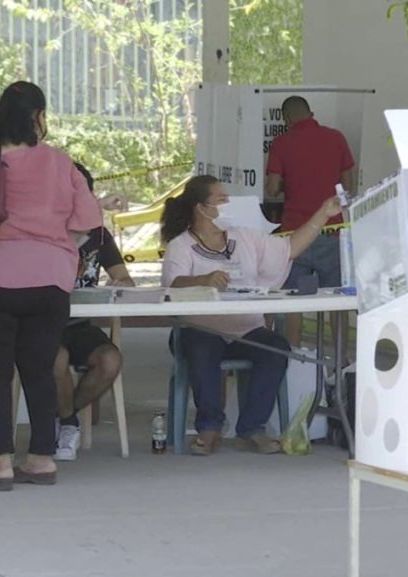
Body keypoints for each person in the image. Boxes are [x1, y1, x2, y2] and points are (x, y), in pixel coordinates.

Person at [0, 81, 102, 490]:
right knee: (39, 370)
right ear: (39, 116)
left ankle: (0, 464)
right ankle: (41, 459)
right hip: (49, 278)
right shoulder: (59, 162)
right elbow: (88, 219)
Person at [160, 175, 341, 454]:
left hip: (246, 329)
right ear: (202, 208)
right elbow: (172, 284)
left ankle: (252, 428)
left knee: (275, 348)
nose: (228, 204)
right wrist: (203, 279)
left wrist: (323, 214)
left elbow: (290, 248)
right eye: (221, 200)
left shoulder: (244, 237)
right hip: (198, 329)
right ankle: (209, 427)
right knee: (203, 349)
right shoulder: (181, 246)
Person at [53, 163, 134, 461]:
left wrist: (119, 281)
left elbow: (125, 279)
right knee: (55, 357)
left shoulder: (99, 235)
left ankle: (64, 418)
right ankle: (68, 422)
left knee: (110, 360)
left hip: (80, 324)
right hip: (44, 321)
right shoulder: (43, 230)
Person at [265, 95, 355, 350]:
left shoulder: (281, 143)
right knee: (337, 300)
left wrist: (286, 183)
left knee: (293, 301)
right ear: (311, 113)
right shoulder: (336, 138)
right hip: (334, 230)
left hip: (295, 234)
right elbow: (347, 185)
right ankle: (340, 359)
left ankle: (293, 359)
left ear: (286, 119)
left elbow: (272, 189)